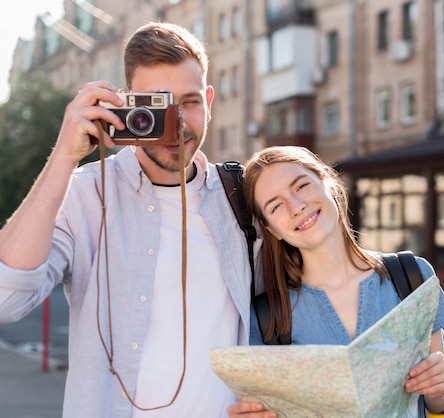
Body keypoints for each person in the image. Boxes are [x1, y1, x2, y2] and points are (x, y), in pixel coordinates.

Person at [0, 22, 260, 417]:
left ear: (209, 101)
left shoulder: (242, 197)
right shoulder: (85, 196)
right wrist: (65, 157)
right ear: (127, 107)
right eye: (157, 104)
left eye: (188, 102)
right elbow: (6, 299)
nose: (175, 123)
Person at [226, 146, 444, 417]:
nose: (296, 206)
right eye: (276, 206)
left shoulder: (412, 276)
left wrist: (440, 389)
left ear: (330, 185)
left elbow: (440, 403)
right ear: (271, 230)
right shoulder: (267, 318)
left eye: (301, 186)